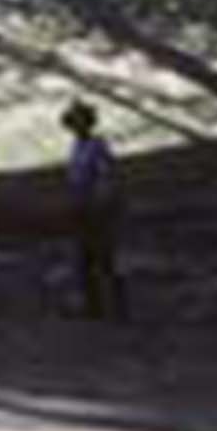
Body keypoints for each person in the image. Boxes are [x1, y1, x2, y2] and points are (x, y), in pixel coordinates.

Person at [63, 100, 127, 320]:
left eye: (79, 122)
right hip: (81, 209)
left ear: (88, 123)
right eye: (73, 123)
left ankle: (118, 307)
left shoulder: (97, 146)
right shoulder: (75, 147)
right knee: (84, 260)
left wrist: (101, 204)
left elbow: (105, 178)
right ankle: (93, 307)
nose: (75, 127)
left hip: (97, 210)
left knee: (106, 259)